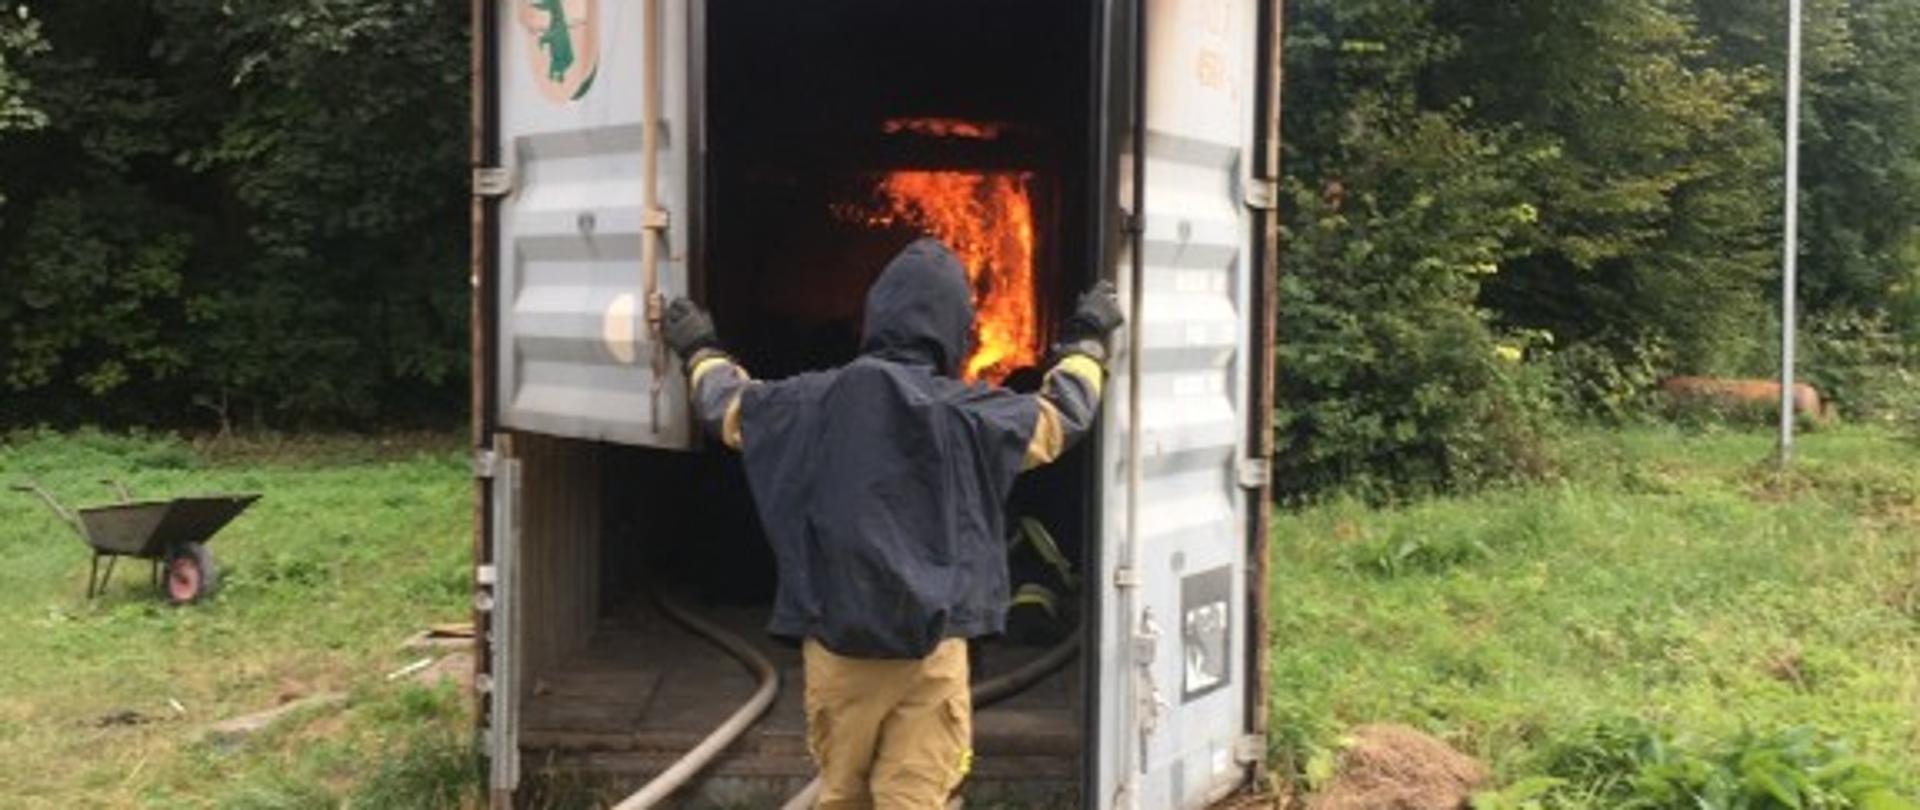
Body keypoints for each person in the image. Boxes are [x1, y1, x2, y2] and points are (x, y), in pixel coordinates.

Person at [660, 238, 1123, 809]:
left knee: (841, 798)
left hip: (837, 655)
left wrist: (699, 347)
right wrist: (1086, 338)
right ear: (955, 329)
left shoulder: (808, 404)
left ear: (874, 319)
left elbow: (725, 406)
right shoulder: (968, 414)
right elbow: (1062, 416)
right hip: (933, 655)